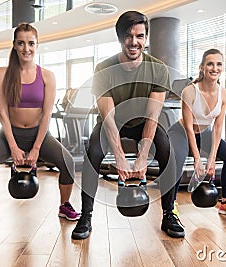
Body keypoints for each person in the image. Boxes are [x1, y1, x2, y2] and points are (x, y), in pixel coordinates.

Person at [71, 11, 184, 239]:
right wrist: (120, 157)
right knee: (92, 153)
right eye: (128, 36)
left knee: (166, 150)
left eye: (140, 36)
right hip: (112, 123)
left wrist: (142, 157)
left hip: (143, 123)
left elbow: (153, 116)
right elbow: (109, 118)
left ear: (146, 38)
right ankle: (86, 216)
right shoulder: (104, 68)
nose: (134, 42)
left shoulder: (158, 68)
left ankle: (169, 213)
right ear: (120, 37)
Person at [0, 23, 80, 227]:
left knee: (67, 162)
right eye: (21, 43)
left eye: (31, 43)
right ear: (15, 46)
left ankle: (65, 205)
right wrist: (13, 146)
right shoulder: (2, 74)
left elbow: (46, 114)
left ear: (37, 45)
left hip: (39, 135)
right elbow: (2, 112)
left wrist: (36, 148)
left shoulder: (47, 76)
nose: (26, 48)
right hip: (10, 134)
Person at [168, 48, 226, 218]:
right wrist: (197, 159)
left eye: (218, 64)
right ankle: (170, 204)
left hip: (205, 133)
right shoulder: (189, 91)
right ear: (202, 67)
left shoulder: (224, 94)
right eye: (210, 64)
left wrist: (211, 160)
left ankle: (225, 202)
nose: (214, 68)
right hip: (181, 131)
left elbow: (217, 128)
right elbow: (188, 127)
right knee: (178, 159)